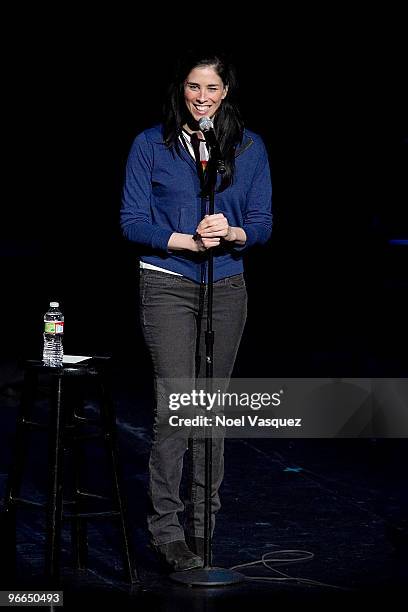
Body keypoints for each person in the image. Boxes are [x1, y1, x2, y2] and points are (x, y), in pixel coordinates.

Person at [120, 49, 272, 572]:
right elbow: (131, 220)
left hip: (226, 283)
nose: (201, 98)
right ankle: (168, 533)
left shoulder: (248, 146)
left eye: (211, 89)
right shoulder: (151, 144)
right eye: (192, 88)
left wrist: (232, 232)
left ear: (226, 92)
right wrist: (182, 240)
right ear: (180, 90)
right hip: (167, 282)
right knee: (177, 408)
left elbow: (262, 220)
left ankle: (205, 533)